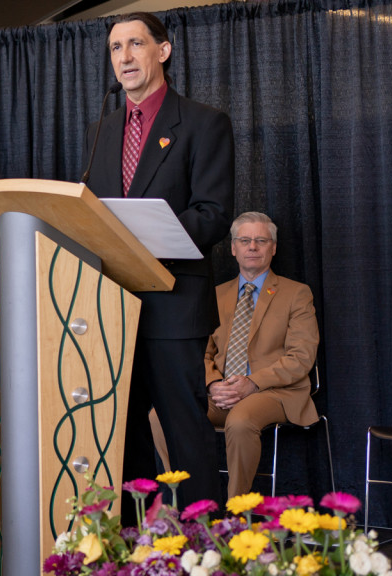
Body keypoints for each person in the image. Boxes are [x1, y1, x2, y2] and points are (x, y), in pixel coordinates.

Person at [81, 12, 234, 513]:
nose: (123, 57)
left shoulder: (204, 123)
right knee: (121, 440)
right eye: (115, 48)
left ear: (162, 51)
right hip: (113, 310)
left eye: (135, 44)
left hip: (173, 310)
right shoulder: (102, 130)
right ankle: (130, 550)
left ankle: (204, 548)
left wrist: (143, 235)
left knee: (186, 438)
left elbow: (212, 216)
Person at [206, 211, 319, 497]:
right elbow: (200, 353)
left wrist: (252, 382)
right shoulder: (215, 295)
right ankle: (184, 505)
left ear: (273, 248)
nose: (252, 246)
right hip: (221, 394)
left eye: (260, 240)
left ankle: (235, 514)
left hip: (275, 392)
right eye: (244, 240)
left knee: (241, 419)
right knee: (160, 417)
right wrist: (212, 384)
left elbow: (301, 357)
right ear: (233, 248)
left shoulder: (297, 294)